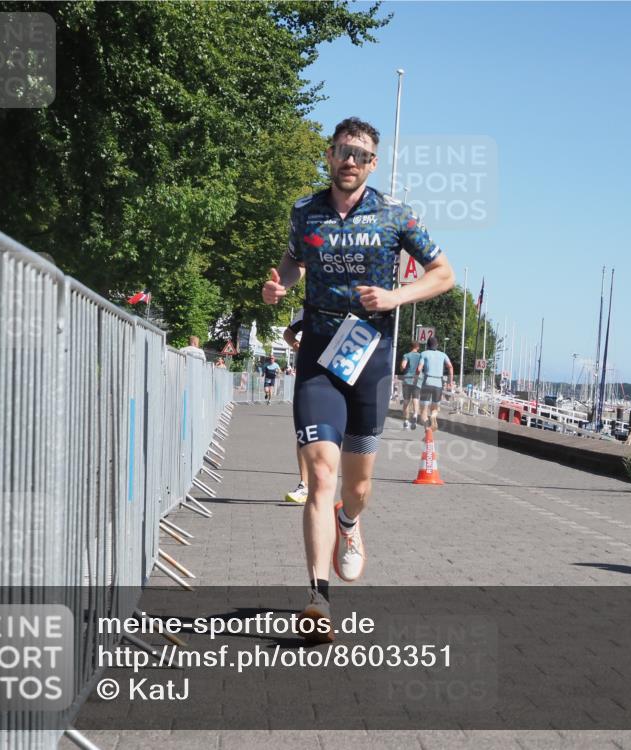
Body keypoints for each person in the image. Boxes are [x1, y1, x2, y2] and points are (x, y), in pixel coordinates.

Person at [261, 116, 454, 640]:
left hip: (371, 357)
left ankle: (350, 523)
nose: (350, 160)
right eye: (342, 150)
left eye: (361, 154)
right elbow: (294, 260)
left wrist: (394, 297)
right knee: (321, 477)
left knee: (357, 486)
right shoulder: (305, 211)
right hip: (320, 355)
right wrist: (279, 284)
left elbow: (444, 274)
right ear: (328, 155)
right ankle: (317, 599)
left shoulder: (396, 215)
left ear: (372, 164)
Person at [283, 309, 309, 504]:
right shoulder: (307, 310)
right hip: (310, 375)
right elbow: (288, 332)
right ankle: (304, 485)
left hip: (343, 377)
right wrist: (295, 343)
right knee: (305, 431)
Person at [416, 336, 454, 431]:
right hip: (438, 384)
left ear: (427, 345)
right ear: (437, 345)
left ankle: (427, 428)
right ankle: (433, 416)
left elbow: (419, 369)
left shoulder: (424, 354)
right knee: (435, 407)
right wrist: (450, 381)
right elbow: (450, 367)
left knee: (423, 409)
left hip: (427, 382)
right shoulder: (443, 355)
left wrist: (416, 377)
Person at [399, 340, 423, 430]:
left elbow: (403, 366)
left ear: (410, 347)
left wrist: (401, 368)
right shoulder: (421, 356)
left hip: (407, 379)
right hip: (417, 380)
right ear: (418, 347)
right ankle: (415, 415)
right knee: (416, 399)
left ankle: (406, 422)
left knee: (406, 401)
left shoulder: (406, 355)